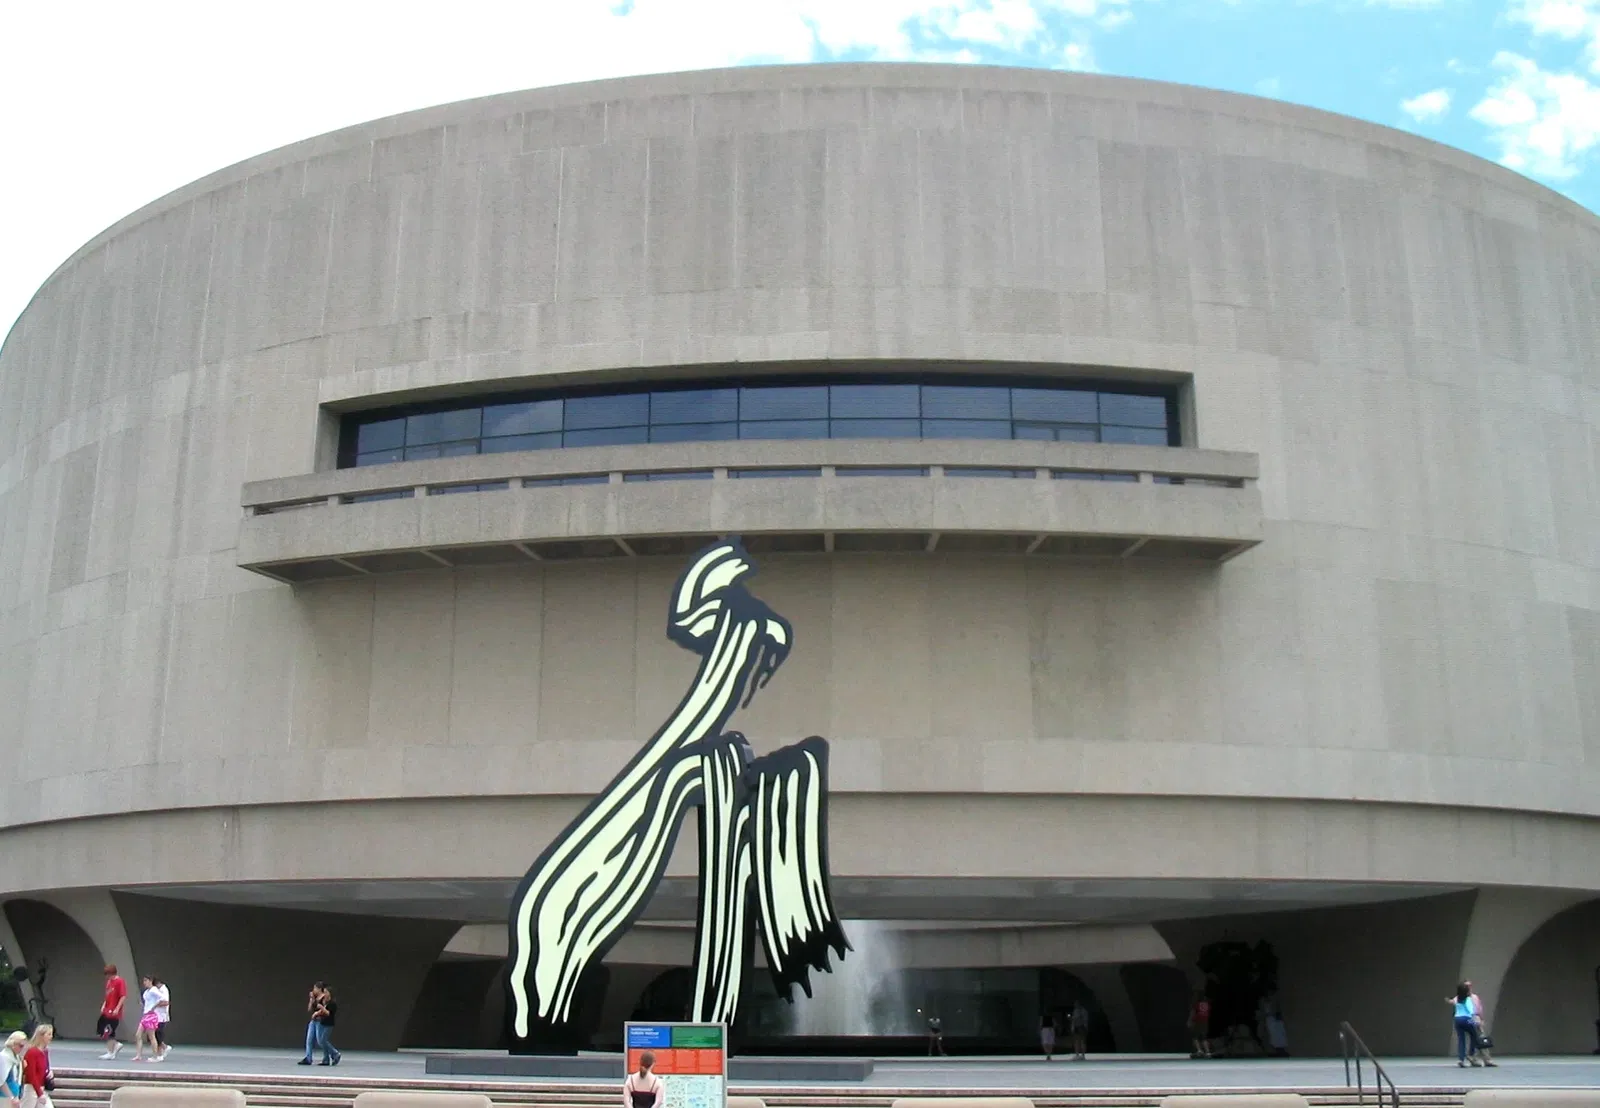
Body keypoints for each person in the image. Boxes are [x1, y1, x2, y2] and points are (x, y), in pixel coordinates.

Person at [97, 964, 127, 1060]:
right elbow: (107, 996)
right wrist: (103, 1005)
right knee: (101, 1028)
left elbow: (123, 996)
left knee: (109, 1030)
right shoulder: (109, 982)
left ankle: (111, 1051)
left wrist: (117, 1008)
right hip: (107, 1009)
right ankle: (114, 1046)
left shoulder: (119, 982)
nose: (107, 977)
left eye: (108, 975)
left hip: (114, 1010)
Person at [1464, 980, 1496, 1068]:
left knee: (1482, 1039)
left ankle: (1486, 1059)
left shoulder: (1475, 997)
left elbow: (1479, 1008)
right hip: (1467, 1019)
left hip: (1476, 1018)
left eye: (1469, 986)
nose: (1468, 988)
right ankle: (1473, 1058)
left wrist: (1481, 1019)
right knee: (1473, 1040)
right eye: (1466, 986)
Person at [1449, 982, 1479, 1068]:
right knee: (1474, 1035)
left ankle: (1461, 1059)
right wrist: (1475, 1020)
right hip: (1467, 1019)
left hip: (1457, 1019)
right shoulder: (1468, 999)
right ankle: (1471, 1054)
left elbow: (1452, 1002)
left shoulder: (1457, 998)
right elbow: (1471, 1010)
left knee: (1461, 1039)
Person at [20, 1026, 51, 1108]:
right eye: (49, 1034)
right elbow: (31, 1074)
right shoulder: (32, 1052)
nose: (51, 1037)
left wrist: (49, 1073)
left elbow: (45, 1067)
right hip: (31, 1088)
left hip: (42, 1087)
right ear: (41, 1036)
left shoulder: (45, 1051)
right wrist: (39, 1093)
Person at [132, 976, 161, 1062]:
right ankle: (138, 1055)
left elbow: (162, 998)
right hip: (145, 1015)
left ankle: (155, 1056)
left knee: (151, 1036)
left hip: (151, 1015)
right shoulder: (147, 992)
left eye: (146, 980)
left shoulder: (154, 990)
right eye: (144, 980)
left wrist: (153, 1007)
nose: (144, 982)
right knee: (138, 1035)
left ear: (150, 981)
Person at [311, 983, 341, 1066]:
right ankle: (326, 1059)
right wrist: (317, 1013)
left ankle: (335, 1053)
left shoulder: (332, 1004)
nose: (325, 994)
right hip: (322, 1023)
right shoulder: (326, 1002)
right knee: (322, 1041)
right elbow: (320, 1010)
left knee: (322, 1040)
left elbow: (328, 1013)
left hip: (328, 1024)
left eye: (326, 992)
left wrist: (321, 1008)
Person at [300, 983, 327, 1065]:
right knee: (309, 1040)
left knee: (321, 1041)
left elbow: (325, 1009)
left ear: (319, 989)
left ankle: (329, 1056)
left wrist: (317, 1013)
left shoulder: (324, 997)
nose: (313, 990)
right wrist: (311, 1000)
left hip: (321, 1021)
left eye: (315, 988)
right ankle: (308, 1058)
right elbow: (309, 1009)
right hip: (314, 1021)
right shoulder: (314, 998)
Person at [3, 1031, 27, 1108]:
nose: (22, 1049)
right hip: (4, 1097)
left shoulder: (16, 1057)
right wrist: (11, 1097)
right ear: (13, 1044)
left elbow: (18, 1078)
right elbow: (1, 1081)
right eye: (20, 1046)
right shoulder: (4, 1057)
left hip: (14, 1095)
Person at [152, 976, 171, 1061]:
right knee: (153, 1035)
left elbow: (166, 1002)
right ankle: (164, 1047)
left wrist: (154, 1005)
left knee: (158, 1035)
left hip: (162, 1016)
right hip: (155, 1015)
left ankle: (159, 1055)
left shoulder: (164, 989)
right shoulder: (156, 990)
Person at [1188, 992, 1212, 1059]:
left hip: (1198, 1022)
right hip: (1205, 1022)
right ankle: (1208, 1052)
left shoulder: (1197, 1004)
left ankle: (1199, 1051)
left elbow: (1193, 1012)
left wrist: (1190, 1021)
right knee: (1204, 1037)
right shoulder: (1208, 1005)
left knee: (1195, 1037)